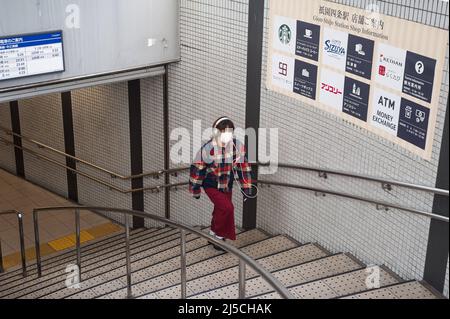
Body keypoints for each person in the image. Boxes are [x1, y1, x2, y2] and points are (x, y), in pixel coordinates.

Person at [189, 117, 256, 251]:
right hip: (211, 184)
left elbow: (243, 167)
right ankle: (218, 237)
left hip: (226, 184)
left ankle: (212, 233)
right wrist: (195, 189)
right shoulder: (207, 149)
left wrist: (247, 188)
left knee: (220, 209)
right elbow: (197, 170)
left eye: (229, 133)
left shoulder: (237, 146)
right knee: (227, 208)